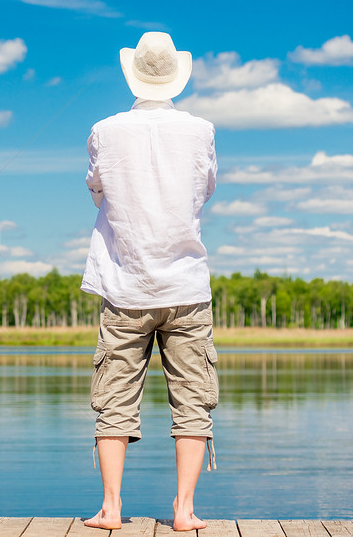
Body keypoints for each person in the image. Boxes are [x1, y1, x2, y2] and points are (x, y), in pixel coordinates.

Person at [80, 31, 219, 532]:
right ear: (175, 77)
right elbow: (204, 190)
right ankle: (183, 512)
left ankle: (111, 510)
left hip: (124, 285)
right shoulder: (201, 130)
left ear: (132, 74)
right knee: (192, 399)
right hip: (185, 285)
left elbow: (97, 190)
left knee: (114, 397)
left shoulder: (104, 130)